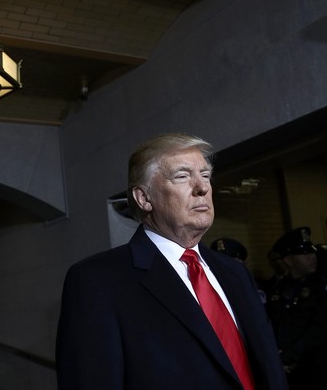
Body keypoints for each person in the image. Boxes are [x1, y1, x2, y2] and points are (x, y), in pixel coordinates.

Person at [56, 133, 287, 389]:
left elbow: (268, 367)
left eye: (206, 175)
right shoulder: (97, 281)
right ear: (144, 198)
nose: (202, 188)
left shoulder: (235, 272)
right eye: (182, 176)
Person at [265, 227, 327, 389]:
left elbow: (319, 328)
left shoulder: (321, 286)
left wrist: (289, 357)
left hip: (317, 367)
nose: (312, 257)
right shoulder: (277, 289)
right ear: (288, 260)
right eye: (304, 254)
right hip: (290, 371)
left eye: (312, 253)